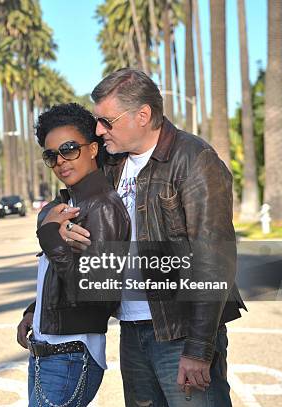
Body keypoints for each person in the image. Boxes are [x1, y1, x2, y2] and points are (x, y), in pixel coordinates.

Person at [17, 68, 246, 407]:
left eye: (107, 122)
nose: (98, 130)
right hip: (132, 329)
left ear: (143, 115)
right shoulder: (112, 165)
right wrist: (37, 308)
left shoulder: (193, 160)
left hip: (179, 333)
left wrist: (198, 350)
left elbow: (214, 260)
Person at [17, 103, 130, 407]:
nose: (60, 161)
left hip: (69, 356)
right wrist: (35, 312)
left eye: (69, 149)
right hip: (51, 350)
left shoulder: (103, 206)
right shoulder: (68, 204)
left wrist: (50, 236)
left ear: (93, 149)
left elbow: (99, 292)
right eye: (51, 155)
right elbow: (61, 273)